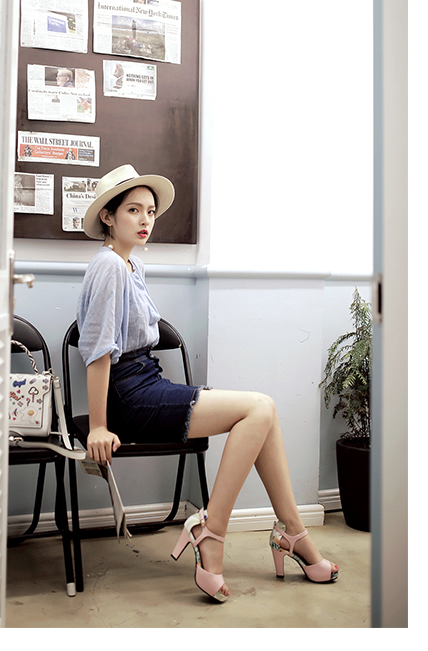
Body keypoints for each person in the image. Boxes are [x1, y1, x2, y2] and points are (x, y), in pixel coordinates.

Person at [78, 165, 338, 598]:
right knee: (259, 408)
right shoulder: (109, 267)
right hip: (129, 394)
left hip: (145, 382)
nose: (145, 220)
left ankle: (290, 531)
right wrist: (98, 426)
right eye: (133, 210)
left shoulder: (130, 264)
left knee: (264, 412)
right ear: (108, 216)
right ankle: (216, 531)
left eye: (151, 211)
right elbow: (99, 351)